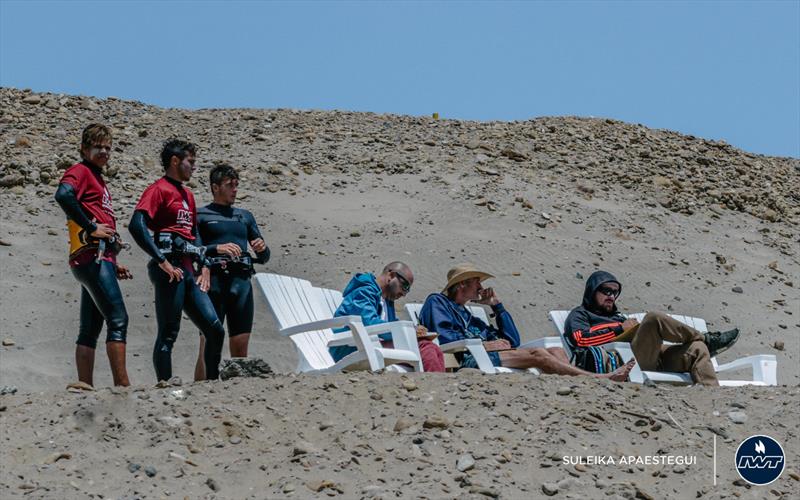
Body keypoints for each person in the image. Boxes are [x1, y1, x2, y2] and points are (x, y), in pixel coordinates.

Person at [419, 263, 633, 380]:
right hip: (467, 359)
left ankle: (575, 383)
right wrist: (485, 345)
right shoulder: (437, 302)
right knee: (538, 354)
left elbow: (513, 340)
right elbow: (443, 337)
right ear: (461, 285)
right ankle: (596, 379)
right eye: (477, 283)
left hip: (490, 355)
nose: (481, 289)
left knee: (557, 351)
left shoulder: (470, 316)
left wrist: (497, 306)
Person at [129, 139, 226, 382]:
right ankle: (165, 386)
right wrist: (161, 260)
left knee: (215, 330)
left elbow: (194, 234)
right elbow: (136, 224)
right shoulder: (158, 189)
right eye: (190, 162)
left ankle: (213, 384)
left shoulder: (188, 195)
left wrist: (204, 265)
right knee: (169, 332)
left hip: (187, 268)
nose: (194, 167)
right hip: (168, 269)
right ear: (175, 161)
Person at [54, 123, 132, 387]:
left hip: (98, 258)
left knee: (90, 329)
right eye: (98, 147)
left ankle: (83, 386)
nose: (104, 152)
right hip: (91, 257)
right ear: (84, 149)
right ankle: (123, 386)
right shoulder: (81, 171)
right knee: (118, 318)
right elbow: (63, 195)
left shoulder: (97, 178)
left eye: (108, 147)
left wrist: (115, 262)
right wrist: (90, 226)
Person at [564, 270, 740, 386]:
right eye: (605, 290)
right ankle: (707, 339)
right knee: (653, 318)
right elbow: (581, 340)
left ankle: (712, 398)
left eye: (615, 292)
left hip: (649, 358)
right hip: (623, 363)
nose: (611, 296)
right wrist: (619, 329)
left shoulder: (617, 317)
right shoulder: (580, 314)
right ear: (592, 291)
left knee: (697, 349)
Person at [192, 164, 270, 381]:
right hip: (213, 283)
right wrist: (218, 248)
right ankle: (201, 390)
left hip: (241, 284)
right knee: (207, 343)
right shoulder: (200, 215)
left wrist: (262, 249)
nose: (235, 190)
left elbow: (264, 257)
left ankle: (238, 391)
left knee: (240, 343)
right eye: (229, 185)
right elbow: (194, 250)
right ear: (215, 187)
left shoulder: (244, 216)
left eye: (236, 185)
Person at [330, 262, 445, 372]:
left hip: (373, 345)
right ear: (391, 275)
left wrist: (413, 330)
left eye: (408, 290)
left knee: (434, 348)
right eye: (404, 286)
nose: (404, 293)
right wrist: (406, 332)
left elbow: (389, 324)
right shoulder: (363, 292)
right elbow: (368, 323)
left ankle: (435, 386)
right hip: (353, 348)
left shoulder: (387, 300)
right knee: (426, 349)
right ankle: (432, 390)